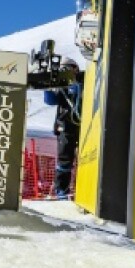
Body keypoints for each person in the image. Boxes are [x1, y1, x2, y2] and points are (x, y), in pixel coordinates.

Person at [44, 59, 83, 199]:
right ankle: (61, 191)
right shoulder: (62, 87)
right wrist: (48, 86)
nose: (65, 72)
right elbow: (50, 100)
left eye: (68, 69)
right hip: (66, 127)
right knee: (65, 159)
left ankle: (82, 189)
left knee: (85, 158)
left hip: (83, 126)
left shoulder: (84, 81)